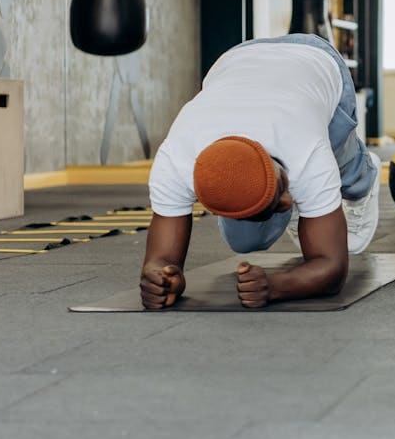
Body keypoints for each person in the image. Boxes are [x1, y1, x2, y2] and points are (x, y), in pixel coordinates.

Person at [139, 34, 381, 309]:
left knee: (344, 169)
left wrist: (276, 287)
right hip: (236, 60)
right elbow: (160, 261)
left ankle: (364, 176)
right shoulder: (176, 159)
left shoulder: (308, 150)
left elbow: (333, 268)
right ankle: (310, 204)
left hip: (315, 62)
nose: (287, 202)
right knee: (244, 240)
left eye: (285, 196)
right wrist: (160, 278)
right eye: (283, 201)